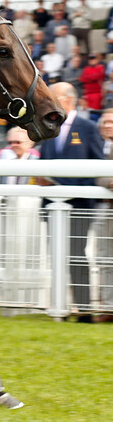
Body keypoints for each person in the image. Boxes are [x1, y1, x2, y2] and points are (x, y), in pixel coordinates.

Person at [38, 82, 105, 313]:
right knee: (56, 256)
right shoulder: (48, 127)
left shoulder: (87, 127)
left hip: (79, 206)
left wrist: (63, 186)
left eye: (52, 97)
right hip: (51, 205)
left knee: (76, 256)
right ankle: (60, 308)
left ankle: (84, 309)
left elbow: (97, 167)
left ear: (67, 100)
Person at [93, 109, 113, 320]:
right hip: (106, 210)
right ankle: (108, 306)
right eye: (104, 122)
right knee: (105, 258)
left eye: (111, 122)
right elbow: (96, 176)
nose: (107, 125)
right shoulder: (98, 145)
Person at [79, 53, 106, 118]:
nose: (92, 60)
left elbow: (98, 76)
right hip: (87, 93)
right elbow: (82, 78)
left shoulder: (100, 67)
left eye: (94, 59)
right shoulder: (86, 68)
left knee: (96, 112)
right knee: (88, 112)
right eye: (90, 59)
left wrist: (88, 78)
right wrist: (91, 78)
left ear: (97, 59)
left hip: (97, 92)